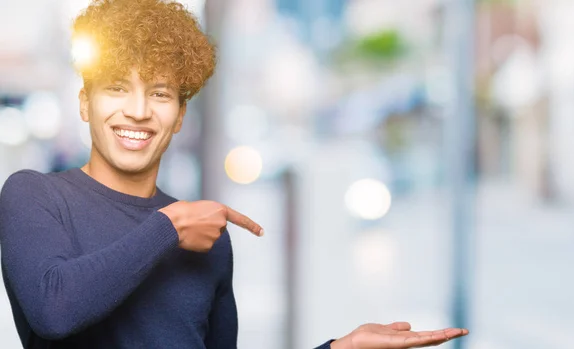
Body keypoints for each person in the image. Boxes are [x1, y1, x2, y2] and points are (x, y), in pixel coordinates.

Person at [0, 0, 468, 348]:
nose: (139, 111)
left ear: (180, 114)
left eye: (160, 94)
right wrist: (168, 226)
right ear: (85, 102)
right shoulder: (35, 195)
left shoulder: (207, 241)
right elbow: (55, 310)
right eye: (118, 89)